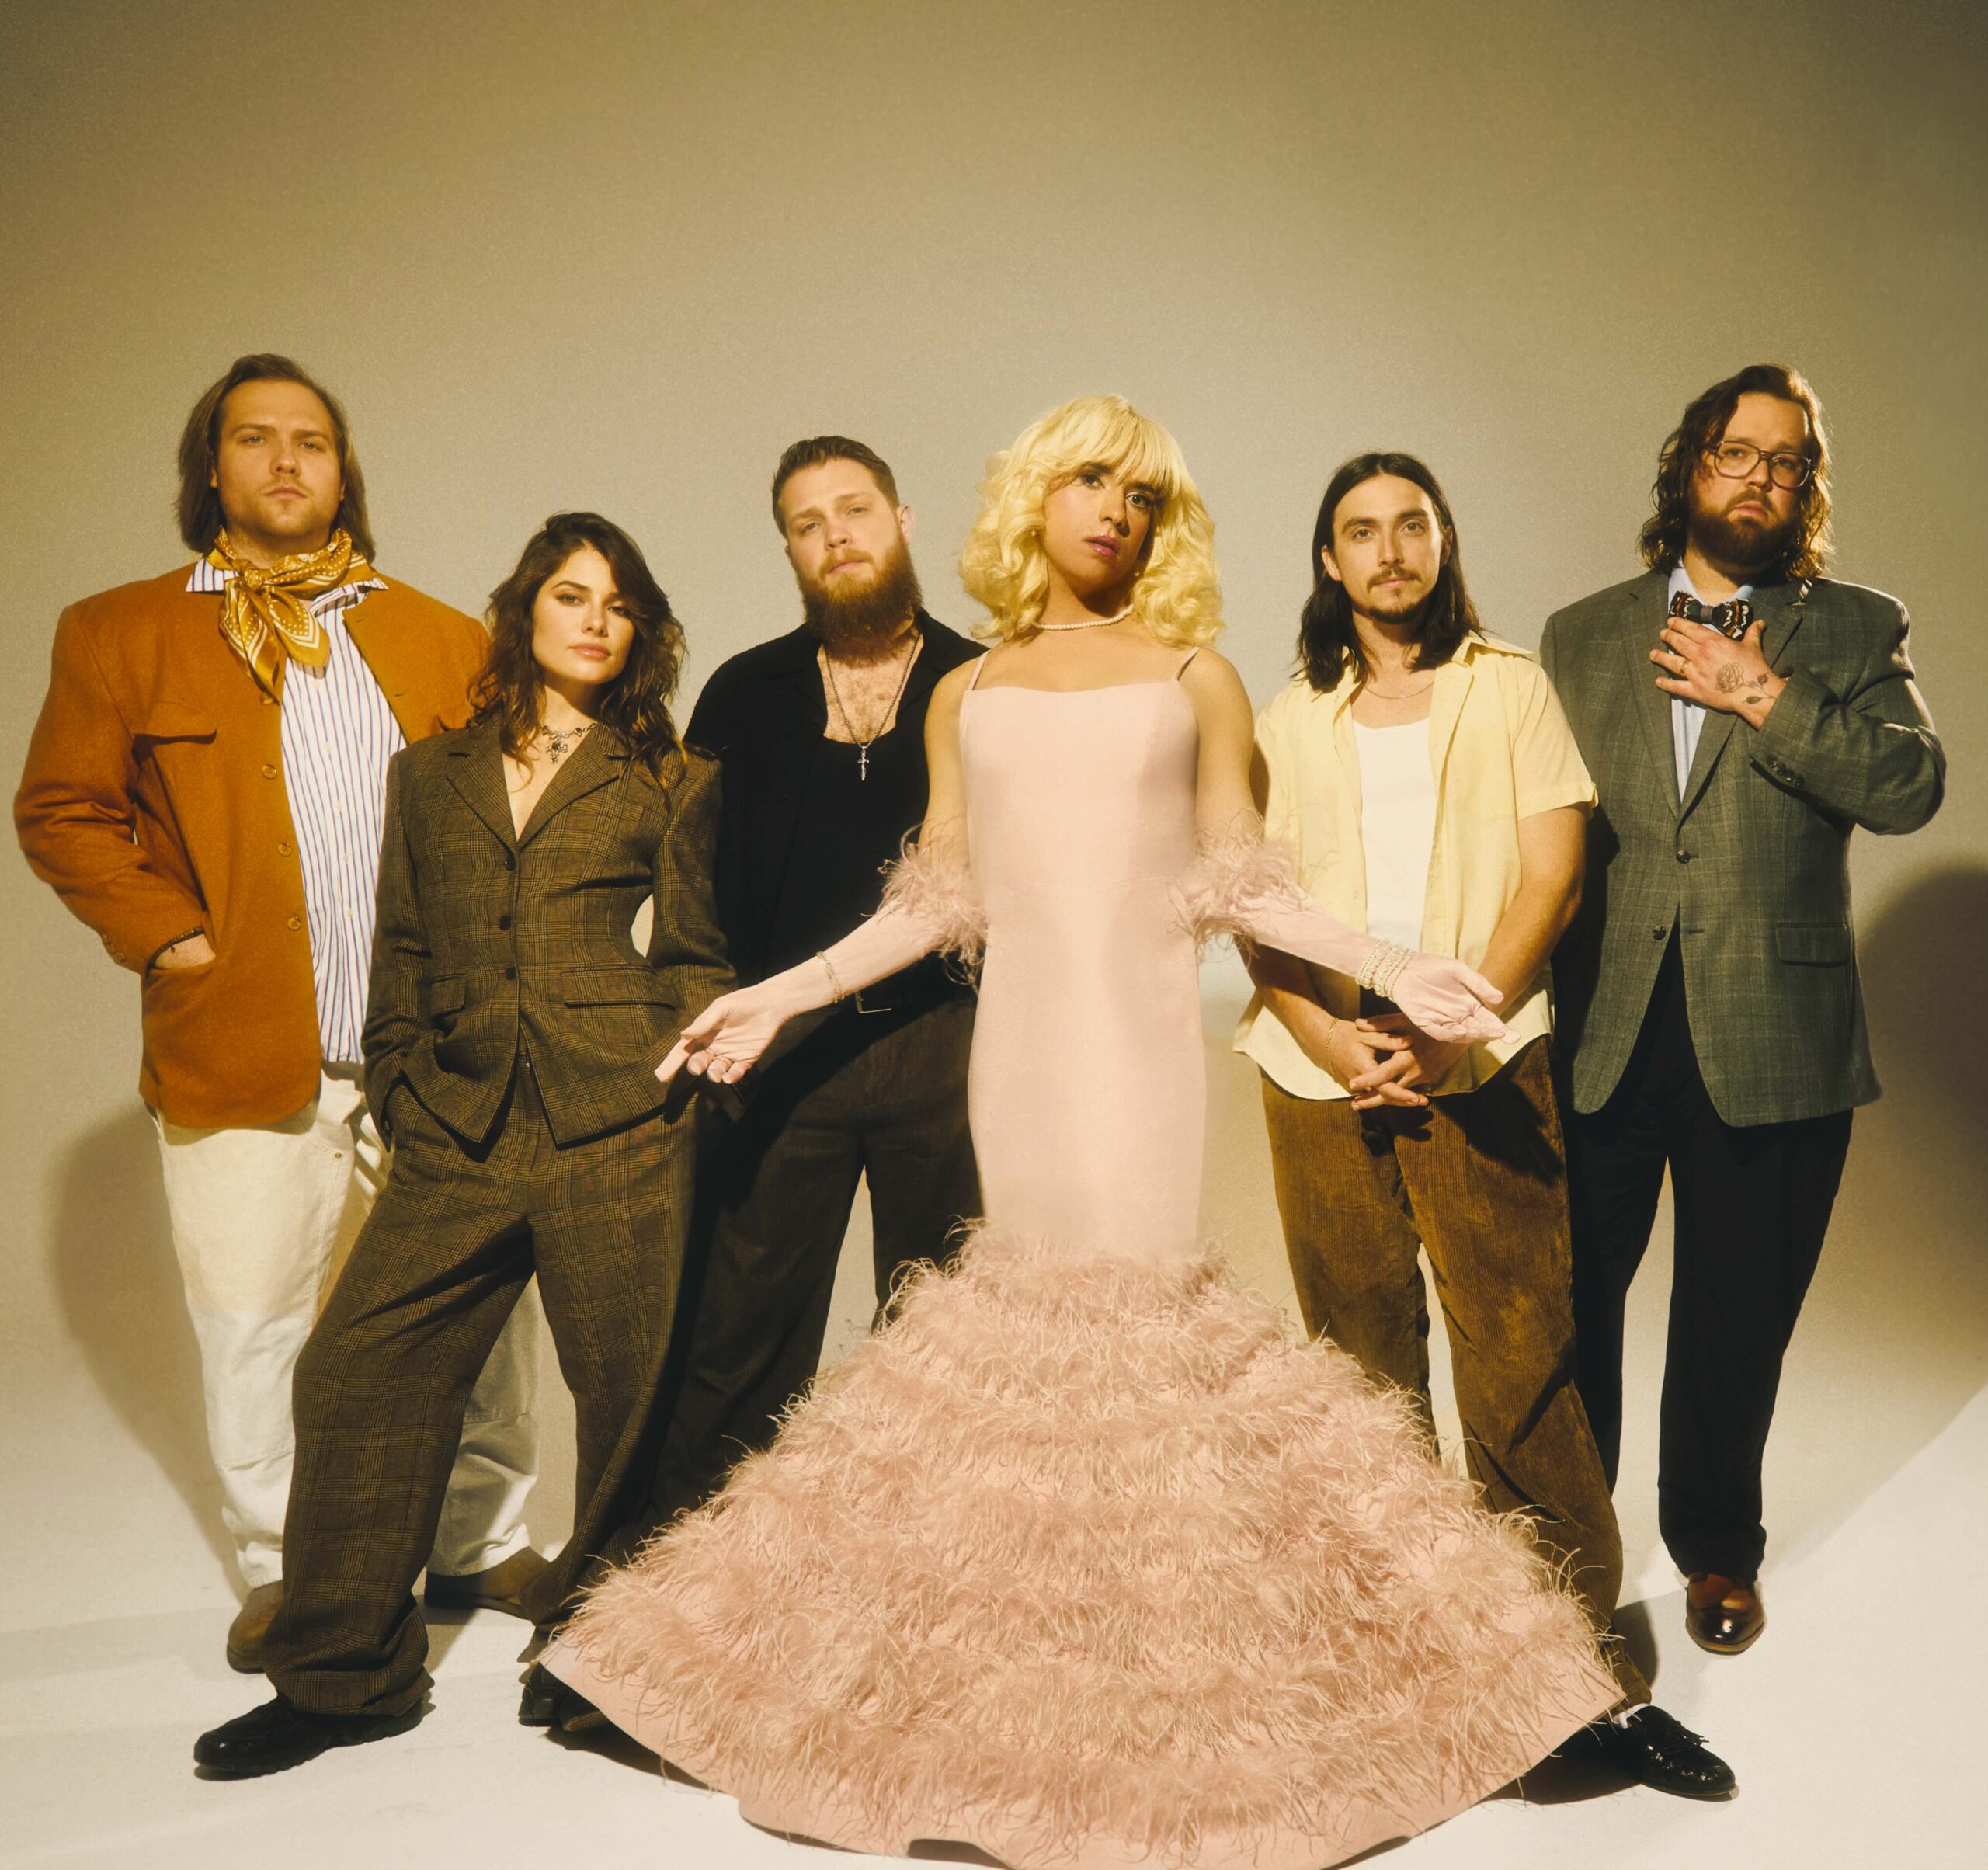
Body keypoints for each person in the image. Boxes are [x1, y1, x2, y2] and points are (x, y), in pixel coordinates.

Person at [542, 397, 1620, 1870]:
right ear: (1032, 502)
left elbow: (1246, 888)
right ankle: (1003, 1718)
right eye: (1091, 482)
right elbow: (933, 905)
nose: (1118, 510)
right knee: (1014, 1355)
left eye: (1143, 494)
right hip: (1022, 1061)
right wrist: (778, 997)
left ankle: (1169, 1725)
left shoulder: (1196, 677)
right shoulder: (967, 693)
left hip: (1136, 1060)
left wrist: (1393, 964)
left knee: (1142, 1353)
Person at [15, 354, 538, 1671]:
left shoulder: (440, 638)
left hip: (434, 1044)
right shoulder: (120, 631)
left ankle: (480, 1540)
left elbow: (512, 813)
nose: (288, 460)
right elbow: (61, 809)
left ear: (342, 471)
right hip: (241, 1037)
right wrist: (168, 936)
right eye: (256, 438)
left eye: (312, 440)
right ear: (213, 468)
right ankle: (285, 1568)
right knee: (253, 1320)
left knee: (483, 1301)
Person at [191, 513, 732, 1778]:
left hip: (620, 1124)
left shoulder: (673, 777)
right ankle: (344, 1678)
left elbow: (698, 951)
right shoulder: (427, 775)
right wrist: (399, 1074)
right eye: (571, 595)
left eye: (619, 604)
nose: (595, 620)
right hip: (462, 1121)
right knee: (357, 1371)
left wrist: (669, 1070)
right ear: (525, 611)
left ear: (642, 633)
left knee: (632, 1401)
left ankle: (609, 1667)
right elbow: (403, 948)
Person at [1239, 451, 1732, 1796]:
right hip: (1320, 1070)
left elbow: (1551, 880)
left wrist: (1459, 1023)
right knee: (1357, 1379)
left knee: (1521, 1369)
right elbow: (1248, 901)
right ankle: (1398, 1670)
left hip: (1485, 1060)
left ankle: (1576, 1686)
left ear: (1444, 541)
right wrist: (1331, 1038)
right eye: (1361, 531)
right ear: (1330, 561)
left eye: (1413, 524)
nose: (1390, 549)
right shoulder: (1287, 717)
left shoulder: (1508, 686)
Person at [1541, 363, 1944, 1657]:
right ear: (1689, 466)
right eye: (1736, 452)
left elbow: (1911, 786)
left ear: (1805, 486)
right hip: (1602, 1021)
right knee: (1567, 1306)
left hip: (1774, 1029)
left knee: (1737, 1316)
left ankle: (1716, 1548)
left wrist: (1760, 693)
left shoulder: (1855, 627)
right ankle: (1562, 1550)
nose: (1760, 477)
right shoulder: (1580, 635)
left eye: (1787, 460)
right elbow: (1532, 828)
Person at [651, 436, 981, 1526]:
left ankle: (934, 1572)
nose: (837, 535)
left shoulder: (979, 680)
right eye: (808, 522)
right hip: (778, 1052)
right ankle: (690, 1591)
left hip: (948, 1044)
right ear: (790, 549)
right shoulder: (743, 692)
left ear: (904, 521)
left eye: (856, 508)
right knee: (735, 1336)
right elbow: (687, 883)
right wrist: (711, 1016)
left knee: (946, 1336)